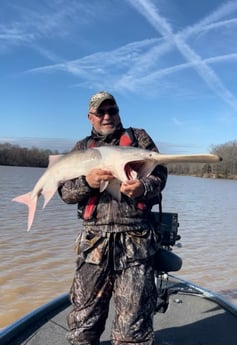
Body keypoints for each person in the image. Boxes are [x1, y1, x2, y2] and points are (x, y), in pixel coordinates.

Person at [59, 91, 168, 345]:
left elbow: (160, 172)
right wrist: (88, 182)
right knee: (83, 324)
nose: (108, 116)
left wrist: (143, 186)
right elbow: (65, 191)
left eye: (113, 110)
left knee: (133, 328)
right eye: (101, 112)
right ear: (90, 117)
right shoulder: (81, 148)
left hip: (135, 242)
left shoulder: (139, 137)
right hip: (93, 245)